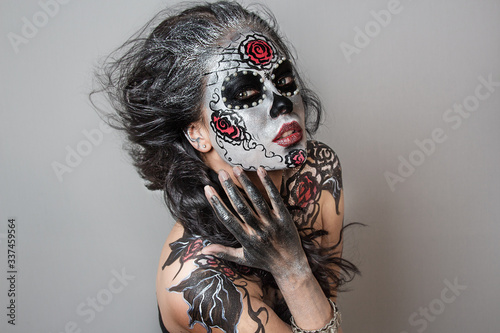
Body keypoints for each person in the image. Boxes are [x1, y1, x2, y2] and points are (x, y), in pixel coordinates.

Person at [94, 1, 359, 332]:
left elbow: (327, 309)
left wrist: (294, 267)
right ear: (198, 132)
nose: (282, 103)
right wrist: (291, 269)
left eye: (284, 80)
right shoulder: (197, 281)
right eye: (247, 93)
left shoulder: (317, 173)